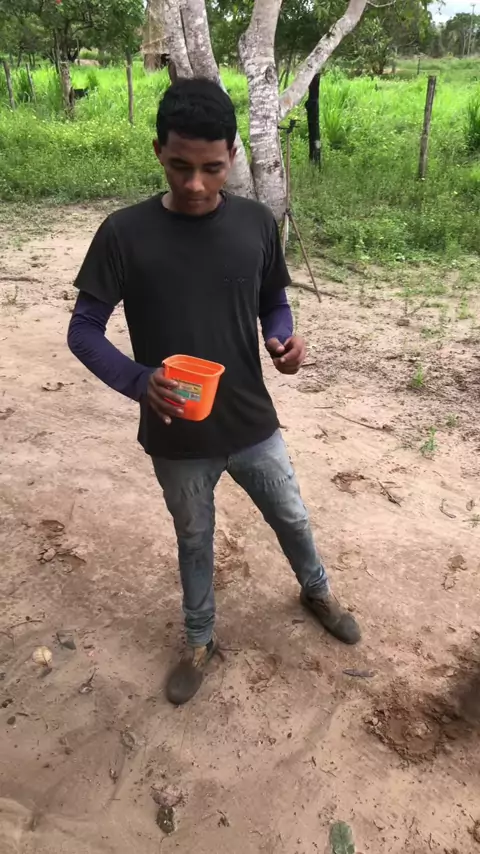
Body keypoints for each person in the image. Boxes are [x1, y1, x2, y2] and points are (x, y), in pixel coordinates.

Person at [68, 78, 361, 706]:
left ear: (232, 154)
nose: (196, 184)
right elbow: (83, 330)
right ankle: (200, 638)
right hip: (176, 430)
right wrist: (139, 381)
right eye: (180, 166)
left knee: (291, 515)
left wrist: (283, 340)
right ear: (158, 152)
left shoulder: (255, 223)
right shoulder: (124, 233)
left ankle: (317, 591)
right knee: (194, 537)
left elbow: (273, 301)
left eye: (212, 168)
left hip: (252, 420)